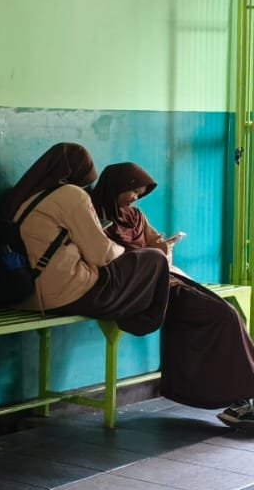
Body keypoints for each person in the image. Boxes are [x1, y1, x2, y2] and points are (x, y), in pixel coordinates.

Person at [90, 162, 254, 425]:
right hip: (139, 289)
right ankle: (237, 399)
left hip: (164, 280)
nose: (135, 198)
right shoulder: (96, 220)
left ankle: (240, 396)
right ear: (116, 187)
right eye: (132, 192)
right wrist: (151, 255)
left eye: (139, 194)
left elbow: (153, 245)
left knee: (229, 314)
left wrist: (163, 248)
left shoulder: (135, 216)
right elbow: (106, 258)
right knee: (224, 315)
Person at [5, 144, 169, 336]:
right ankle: (141, 322)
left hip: (30, 295)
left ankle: (135, 316)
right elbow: (100, 255)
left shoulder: (29, 198)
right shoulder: (71, 194)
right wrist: (123, 249)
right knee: (155, 258)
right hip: (66, 293)